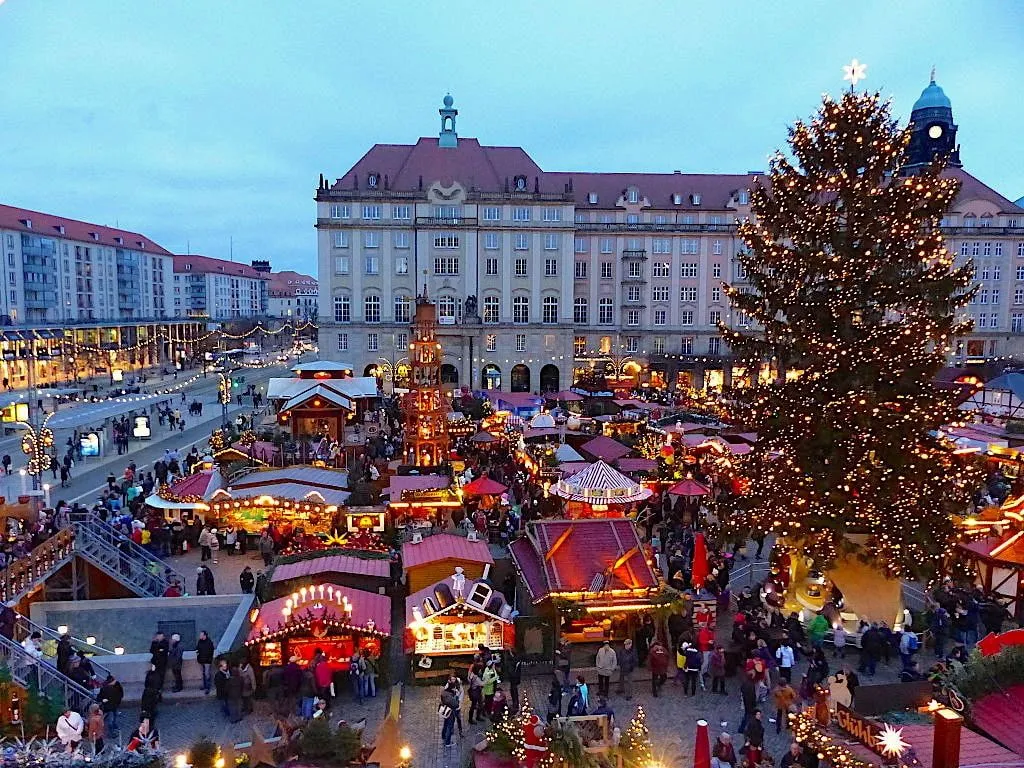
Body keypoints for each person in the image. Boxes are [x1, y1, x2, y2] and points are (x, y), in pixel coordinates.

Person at [440, 682, 459, 747]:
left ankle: (443, 735)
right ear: (453, 688)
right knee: (449, 726)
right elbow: (456, 704)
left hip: (445, 711)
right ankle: (448, 742)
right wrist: (456, 696)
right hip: (450, 713)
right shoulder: (450, 697)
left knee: (445, 724)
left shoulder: (444, 692)